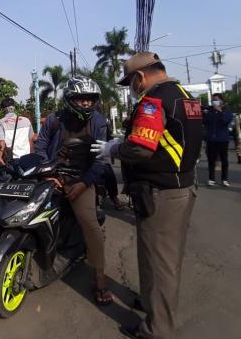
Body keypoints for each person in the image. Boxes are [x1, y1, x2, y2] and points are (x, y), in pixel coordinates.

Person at [91, 52, 202, 339]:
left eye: (130, 82)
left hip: (160, 192)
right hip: (182, 186)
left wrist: (113, 149)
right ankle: (154, 303)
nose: (131, 88)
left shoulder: (153, 101)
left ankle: (158, 330)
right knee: (167, 257)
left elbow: (141, 147)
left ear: (139, 77)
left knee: (158, 261)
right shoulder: (184, 95)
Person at [35, 76, 113, 306]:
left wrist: (83, 184)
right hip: (52, 175)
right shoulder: (54, 119)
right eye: (81, 99)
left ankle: (99, 278)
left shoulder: (99, 122)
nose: (86, 104)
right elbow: (40, 146)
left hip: (82, 179)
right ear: (70, 99)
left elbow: (101, 159)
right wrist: (48, 174)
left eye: (90, 100)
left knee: (90, 225)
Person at [203, 93, 233, 186]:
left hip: (222, 139)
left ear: (221, 101)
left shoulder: (227, 111)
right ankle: (211, 179)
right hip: (211, 139)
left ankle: (224, 179)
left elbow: (225, 121)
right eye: (213, 100)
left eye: (216, 100)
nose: (214, 102)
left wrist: (220, 111)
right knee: (211, 160)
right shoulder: (209, 111)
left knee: (224, 160)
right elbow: (205, 123)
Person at [0, 97, 34, 165]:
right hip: (27, 158)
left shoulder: (0, 123)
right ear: (14, 107)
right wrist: (32, 154)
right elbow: (31, 140)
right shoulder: (26, 120)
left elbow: (2, 143)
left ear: (3, 109)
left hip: (12, 160)